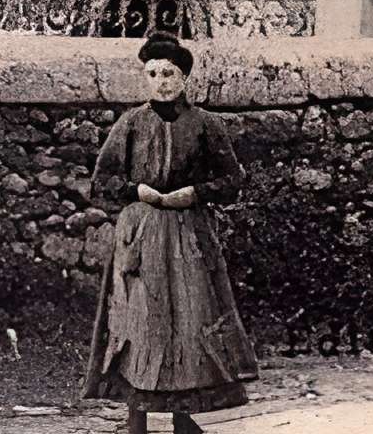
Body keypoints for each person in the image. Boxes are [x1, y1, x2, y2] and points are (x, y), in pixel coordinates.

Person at [85, 33, 255, 432]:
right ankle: (136, 418)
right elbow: (102, 179)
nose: (161, 81)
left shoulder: (204, 125)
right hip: (140, 235)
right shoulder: (131, 123)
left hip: (188, 236)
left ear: (184, 78)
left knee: (190, 322)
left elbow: (232, 180)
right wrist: (136, 191)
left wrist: (194, 193)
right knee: (139, 321)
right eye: (154, 73)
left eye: (170, 73)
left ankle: (182, 416)